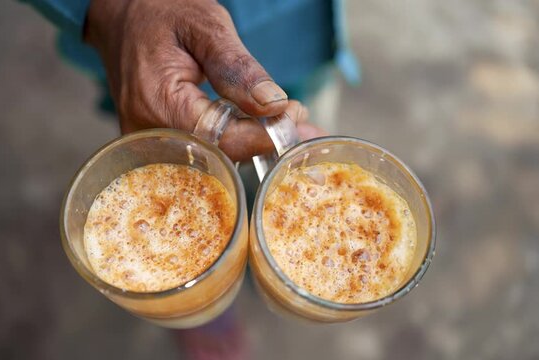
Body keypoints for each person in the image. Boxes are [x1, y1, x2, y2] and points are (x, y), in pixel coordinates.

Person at [22, 0, 359, 358]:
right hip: (153, 46)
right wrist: (118, 11)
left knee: (306, 122)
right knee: (156, 132)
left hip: (298, 25)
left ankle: (239, 267)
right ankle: (205, 309)